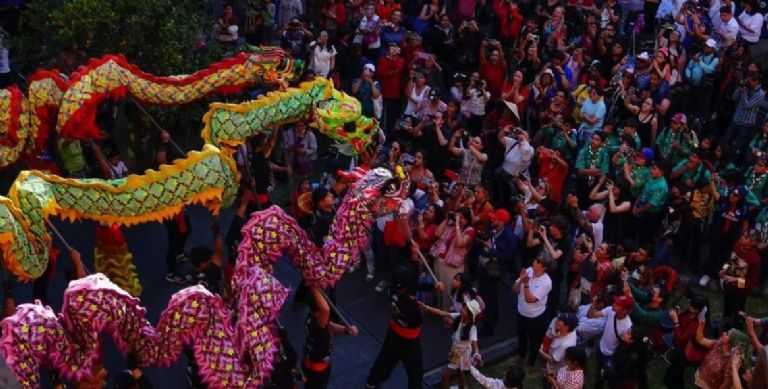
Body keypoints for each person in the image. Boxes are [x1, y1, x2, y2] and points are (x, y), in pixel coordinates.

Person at [366, 262, 440, 389]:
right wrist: (424, 308)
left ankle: (371, 382)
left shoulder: (392, 288)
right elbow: (417, 321)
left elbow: (415, 286)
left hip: (393, 331)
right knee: (415, 373)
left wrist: (433, 286)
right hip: (409, 341)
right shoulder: (411, 305)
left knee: (384, 359)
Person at [303, 286, 359, 389]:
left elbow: (331, 326)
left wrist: (346, 330)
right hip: (316, 369)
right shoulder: (318, 322)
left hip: (316, 364)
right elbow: (326, 310)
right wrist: (313, 285)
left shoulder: (316, 318)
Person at [420, 299, 482, 389]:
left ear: (470, 315)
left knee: (445, 376)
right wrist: (427, 308)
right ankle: (463, 387)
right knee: (460, 373)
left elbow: (475, 345)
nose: (461, 309)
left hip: (463, 355)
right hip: (455, 352)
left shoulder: (472, 328)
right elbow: (442, 313)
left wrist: (477, 355)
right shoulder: (459, 317)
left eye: (464, 309)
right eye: (463, 307)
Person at [512, 257, 553, 373]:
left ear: (544, 267)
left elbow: (530, 299)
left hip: (536, 317)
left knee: (534, 341)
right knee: (521, 335)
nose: (534, 262)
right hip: (521, 312)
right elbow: (514, 290)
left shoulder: (546, 282)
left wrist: (525, 284)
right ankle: (521, 355)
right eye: (535, 260)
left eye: (538, 262)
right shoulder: (529, 270)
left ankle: (530, 363)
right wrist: (520, 280)